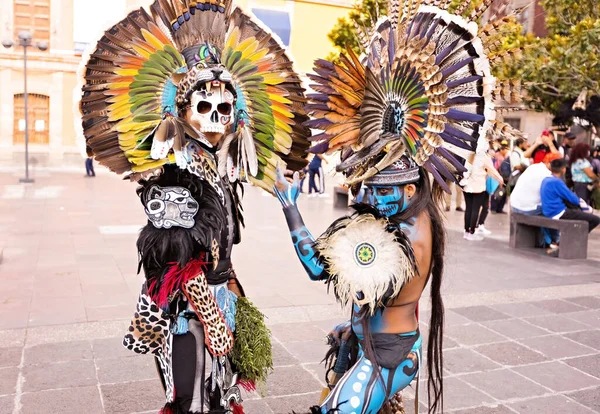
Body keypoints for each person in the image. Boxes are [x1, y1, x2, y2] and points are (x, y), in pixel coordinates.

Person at [78, 0, 311, 411]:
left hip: (220, 299)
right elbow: (176, 260)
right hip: (187, 311)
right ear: (181, 113)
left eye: (225, 108)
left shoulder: (219, 172)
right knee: (189, 400)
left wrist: (234, 296)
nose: (216, 118)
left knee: (221, 396)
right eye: (204, 108)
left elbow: (222, 246)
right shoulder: (173, 175)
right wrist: (212, 316)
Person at [541, 158, 600, 233]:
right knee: (595, 220)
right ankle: (575, 237)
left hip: (548, 211)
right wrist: (586, 208)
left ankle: (571, 235)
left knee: (578, 212)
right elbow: (573, 198)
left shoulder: (546, 179)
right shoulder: (557, 182)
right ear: (563, 169)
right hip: (558, 212)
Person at [461, 152, 504, 240]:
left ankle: (466, 232)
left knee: (468, 208)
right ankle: (471, 232)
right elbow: (491, 170)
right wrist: (500, 179)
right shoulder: (484, 157)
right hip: (478, 186)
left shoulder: (468, 153)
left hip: (466, 185)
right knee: (475, 210)